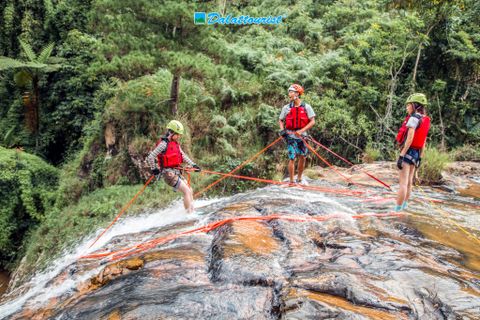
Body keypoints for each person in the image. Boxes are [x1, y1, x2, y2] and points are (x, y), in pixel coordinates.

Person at [146, 120, 201, 213]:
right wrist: (154, 169)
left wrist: (193, 165)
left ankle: (192, 210)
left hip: (176, 172)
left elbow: (183, 155)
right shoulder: (163, 144)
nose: (179, 136)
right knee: (187, 191)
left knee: (190, 189)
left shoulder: (176, 143)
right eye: (178, 134)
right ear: (171, 133)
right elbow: (151, 157)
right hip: (168, 174)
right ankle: (189, 215)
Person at [394, 93, 431, 212]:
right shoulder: (425, 119)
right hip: (416, 153)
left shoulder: (414, 118)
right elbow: (423, 141)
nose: (406, 108)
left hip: (408, 151)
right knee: (409, 182)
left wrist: (401, 155)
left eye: (408, 105)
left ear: (415, 106)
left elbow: (409, 139)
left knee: (403, 183)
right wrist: (420, 157)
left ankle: (397, 210)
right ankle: (404, 206)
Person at [278, 84, 316, 184]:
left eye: (291, 92)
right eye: (289, 92)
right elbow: (281, 120)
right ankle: (291, 181)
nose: (289, 94)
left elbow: (312, 121)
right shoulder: (286, 108)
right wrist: (282, 131)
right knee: (292, 157)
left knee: (303, 156)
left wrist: (302, 130)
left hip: (303, 136)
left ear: (297, 94)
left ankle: (299, 178)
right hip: (290, 136)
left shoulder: (306, 107)